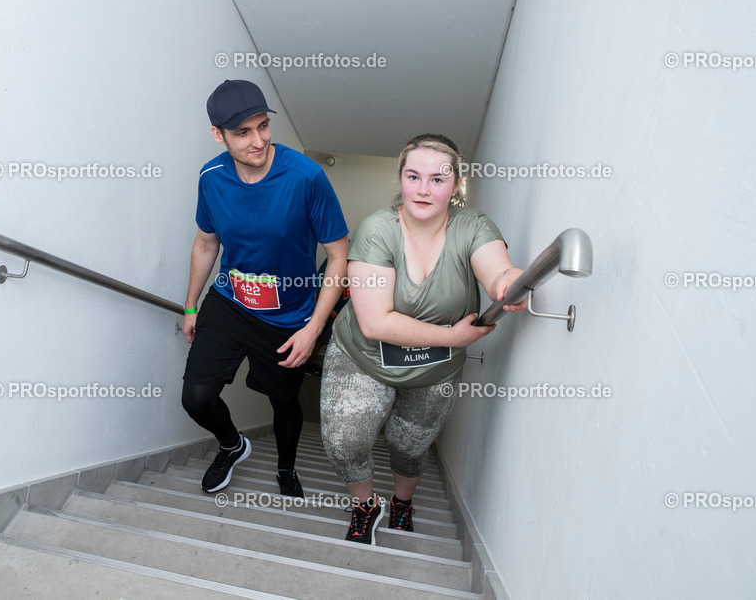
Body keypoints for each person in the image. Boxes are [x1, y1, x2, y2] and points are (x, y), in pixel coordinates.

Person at [320, 134, 526, 545]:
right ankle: (366, 505)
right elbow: (375, 322)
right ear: (401, 178)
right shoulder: (378, 228)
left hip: (433, 369)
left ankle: (401, 502)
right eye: (414, 176)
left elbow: (497, 269)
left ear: (456, 185)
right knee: (344, 441)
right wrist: (452, 337)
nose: (424, 189)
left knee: (408, 448)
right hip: (364, 356)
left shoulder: (473, 226)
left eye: (438, 178)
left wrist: (512, 281)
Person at [182, 79, 349, 497]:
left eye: (262, 127)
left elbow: (338, 256)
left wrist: (312, 329)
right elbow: (206, 242)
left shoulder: (306, 177)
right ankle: (231, 445)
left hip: (288, 319)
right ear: (218, 135)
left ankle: (287, 469)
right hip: (229, 302)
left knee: (285, 404)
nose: (257, 141)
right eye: (242, 132)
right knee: (196, 398)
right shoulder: (212, 177)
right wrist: (190, 307)